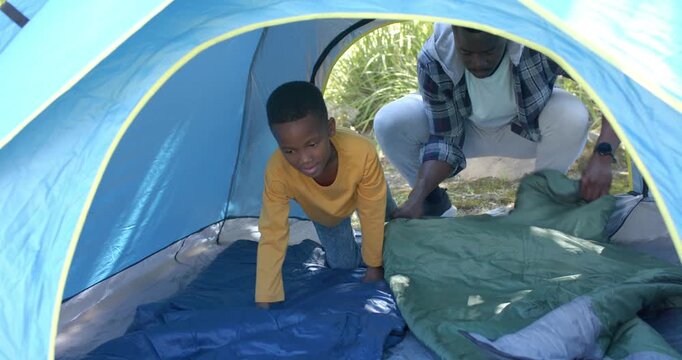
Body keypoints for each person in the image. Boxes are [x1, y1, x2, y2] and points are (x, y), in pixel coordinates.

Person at [374, 24, 620, 219]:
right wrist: (416, 197)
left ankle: (542, 202)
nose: (479, 63)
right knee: (391, 120)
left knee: (572, 114)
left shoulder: (539, 40)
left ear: (506, 35)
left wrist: (603, 154)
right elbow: (446, 139)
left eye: (489, 52)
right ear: (454, 36)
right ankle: (432, 204)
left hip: (525, 131)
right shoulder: (435, 57)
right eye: (467, 53)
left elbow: (613, 85)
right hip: (464, 132)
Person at [255, 81, 395, 309]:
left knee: (390, 219)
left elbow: (371, 214)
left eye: (311, 144)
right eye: (289, 150)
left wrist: (374, 267)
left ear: (330, 128)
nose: (304, 159)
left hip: (365, 189)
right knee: (343, 266)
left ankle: (389, 209)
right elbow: (272, 232)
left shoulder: (361, 151)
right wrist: (265, 296)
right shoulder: (277, 171)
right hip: (327, 215)